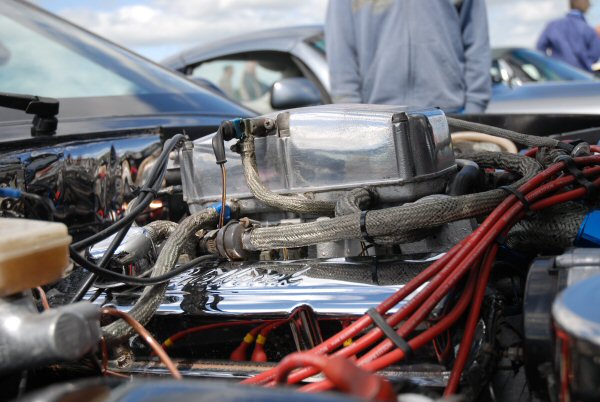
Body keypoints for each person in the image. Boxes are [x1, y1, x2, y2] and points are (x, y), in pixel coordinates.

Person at [325, 0, 491, 114]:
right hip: (378, 120)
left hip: (451, 114)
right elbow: (341, 49)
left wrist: (474, 109)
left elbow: (477, 41)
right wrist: (352, 115)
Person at [536, 0, 600, 72]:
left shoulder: (553, 26)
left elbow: (540, 48)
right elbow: (595, 52)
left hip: (556, 73)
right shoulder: (588, 30)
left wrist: (550, 64)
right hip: (581, 73)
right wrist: (585, 62)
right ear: (586, 6)